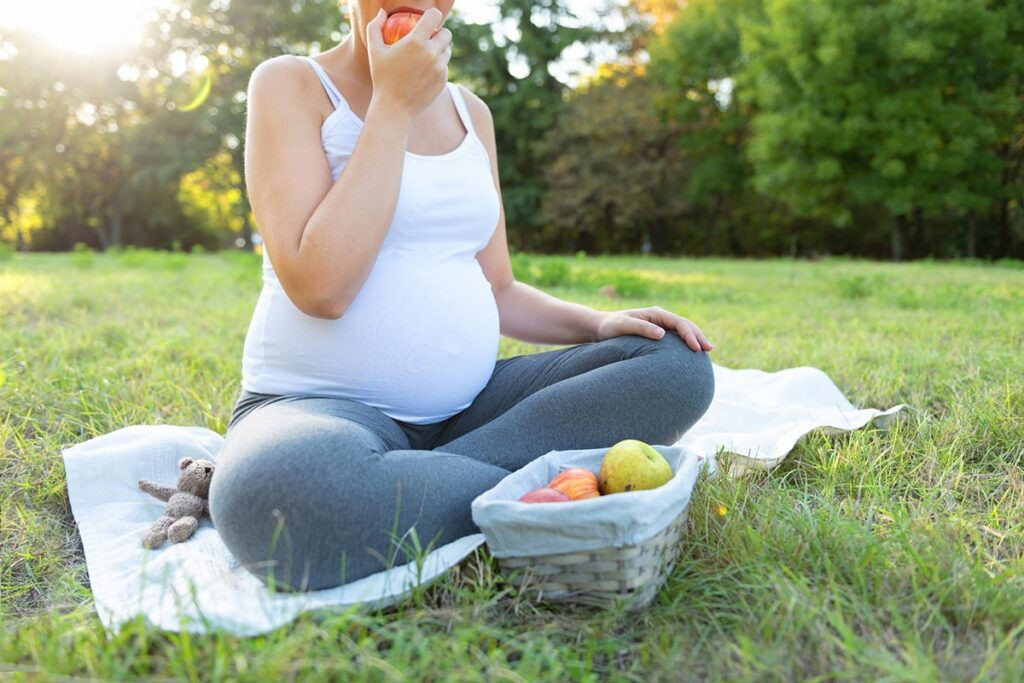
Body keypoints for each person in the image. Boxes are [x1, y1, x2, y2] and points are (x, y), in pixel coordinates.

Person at [208, 1, 716, 592]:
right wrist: (393, 104)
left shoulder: (472, 113)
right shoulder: (290, 83)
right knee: (281, 497)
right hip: (320, 410)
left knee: (675, 366)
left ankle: (426, 486)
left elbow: (498, 287)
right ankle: (537, 488)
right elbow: (320, 288)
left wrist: (600, 323)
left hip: (471, 414)